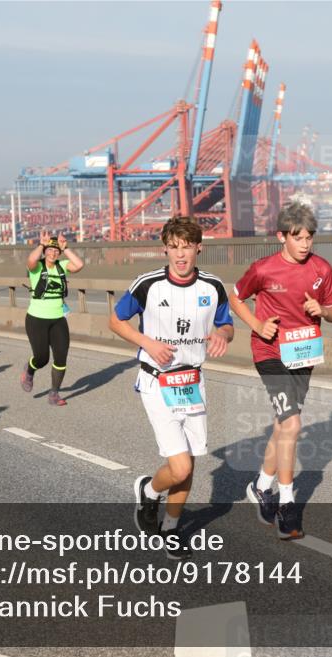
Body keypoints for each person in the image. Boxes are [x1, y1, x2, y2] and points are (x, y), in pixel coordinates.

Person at [109, 217, 234, 560]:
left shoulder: (212, 286)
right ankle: (149, 491)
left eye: (187, 247)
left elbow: (226, 324)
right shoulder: (148, 285)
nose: (181, 255)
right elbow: (116, 320)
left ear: (198, 248)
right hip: (156, 380)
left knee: (189, 465)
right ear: (165, 248)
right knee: (179, 467)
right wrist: (145, 341)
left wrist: (222, 335)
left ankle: (171, 528)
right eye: (174, 247)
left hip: (192, 381)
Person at [228, 202, 332, 540]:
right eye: (298, 238)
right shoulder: (264, 269)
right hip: (269, 352)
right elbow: (235, 297)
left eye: (309, 237)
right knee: (293, 423)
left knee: (283, 424)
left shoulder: (322, 268)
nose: (305, 244)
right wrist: (256, 324)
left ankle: (262, 487)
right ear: (281, 237)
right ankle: (287, 503)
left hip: (303, 353)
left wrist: (321, 308)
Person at [19, 232, 84, 406]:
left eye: (56, 251)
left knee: (61, 358)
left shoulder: (62, 265)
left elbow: (79, 265)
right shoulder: (38, 267)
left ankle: (54, 393)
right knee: (42, 358)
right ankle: (30, 369)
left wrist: (66, 248)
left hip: (58, 319)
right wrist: (40, 245)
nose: (53, 253)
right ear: (45, 250)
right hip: (36, 319)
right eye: (50, 250)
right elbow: (30, 261)